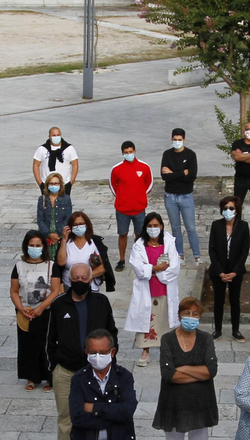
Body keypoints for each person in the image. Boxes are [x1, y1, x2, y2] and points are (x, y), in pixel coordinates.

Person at [155, 297, 218, 440]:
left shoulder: (206, 338)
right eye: (187, 313)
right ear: (179, 314)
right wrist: (196, 371)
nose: (190, 318)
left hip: (201, 402)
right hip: (173, 402)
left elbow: (211, 371)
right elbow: (168, 374)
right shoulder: (167, 339)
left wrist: (182, 368)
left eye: (195, 314)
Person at [48, 263, 118, 440]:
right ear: (70, 280)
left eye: (84, 278)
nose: (80, 282)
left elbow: (112, 332)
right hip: (65, 369)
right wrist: (53, 366)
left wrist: (111, 361)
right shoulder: (59, 304)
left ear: (91, 280)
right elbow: (50, 337)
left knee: (98, 409)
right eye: (76, 278)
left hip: (96, 369)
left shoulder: (101, 302)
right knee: (65, 414)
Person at [126, 212, 181, 368]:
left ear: (161, 226)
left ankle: (168, 352)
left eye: (156, 225)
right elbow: (139, 269)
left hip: (165, 288)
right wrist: (157, 268)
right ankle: (145, 351)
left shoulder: (169, 243)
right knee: (147, 322)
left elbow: (174, 267)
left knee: (164, 321)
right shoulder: (139, 245)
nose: (153, 229)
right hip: (147, 290)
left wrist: (155, 273)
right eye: (149, 226)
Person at [12, 230, 61, 391]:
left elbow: (55, 290)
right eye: (31, 245)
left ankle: (49, 378)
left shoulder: (51, 266)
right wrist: (20, 308)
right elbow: (14, 290)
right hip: (25, 311)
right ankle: (31, 377)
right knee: (27, 345)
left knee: (45, 345)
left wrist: (41, 308)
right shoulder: (19, 266)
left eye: (37, 245)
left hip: (45, 311)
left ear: (43, 246)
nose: (34, 248)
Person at [207, 195, 250, 341]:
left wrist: (235, 271)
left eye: (231, 208)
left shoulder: (243, 226)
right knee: (218, 300)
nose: (228, 211)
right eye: (225, 208)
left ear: (236, 210)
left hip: (235, 270)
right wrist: (219, 272)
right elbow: (212, 250)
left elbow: (245, 251)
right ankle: (217, 329)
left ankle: (235, 330)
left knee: (234, 300)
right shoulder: (216, 225)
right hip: (218, 270)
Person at [110, 141, 152, 269]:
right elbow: (113, 185)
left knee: (140, 234)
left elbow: (149, 184)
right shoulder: (116, 169)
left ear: (135, 151)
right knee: (122, 234)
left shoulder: (144, 167)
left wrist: (139, 196)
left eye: (131, 152)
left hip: (139, 208)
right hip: (122, 209)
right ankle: (122, 259)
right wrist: (123, 197)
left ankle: (140, 257)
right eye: (126, 152)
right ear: (122, 153)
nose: (129, 154)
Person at [160, 127, 200, 260]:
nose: (177, 142)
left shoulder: (190, 155)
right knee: (175, 228)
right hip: (170, 196)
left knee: (190, 227)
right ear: (171, 139)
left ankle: (196, 255)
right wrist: (182, 172)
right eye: (175, 140)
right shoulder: (167, 154)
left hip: (186, 196)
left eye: (179, 140)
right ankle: (179, 255)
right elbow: (165, 177)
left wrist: (172, 173)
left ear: (184, 140)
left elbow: (192, 176)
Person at [56, 210, 113, 294]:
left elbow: (104, 266)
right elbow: (60, 262)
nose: (78, 227)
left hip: (91, 287)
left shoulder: (95, 242)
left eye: (81, 224)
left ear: (86, 225)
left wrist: (86, 277)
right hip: (69, 286)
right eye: (75, 225)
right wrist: (64, 240)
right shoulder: (66, 243)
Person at [36, 172, 73, 264]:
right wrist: (49, 234)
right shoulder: (42, 199)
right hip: (46, 235)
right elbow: (40, 219)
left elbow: (67, 218)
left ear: (60, 185)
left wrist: (57, 234)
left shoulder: (66, 199)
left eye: (56, 183)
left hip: (60, 235)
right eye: (51, 183)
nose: (54, 185)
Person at [33, 126, 79, 193]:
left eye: (58, 135)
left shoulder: (69, 148)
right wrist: (40, 182)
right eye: (54, 135)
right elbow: (35, 165)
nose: (56, 137)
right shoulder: (42, 149)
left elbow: (75, 165)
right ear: (49, 136)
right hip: (47, 184)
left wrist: (71, 182)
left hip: (64, 184)